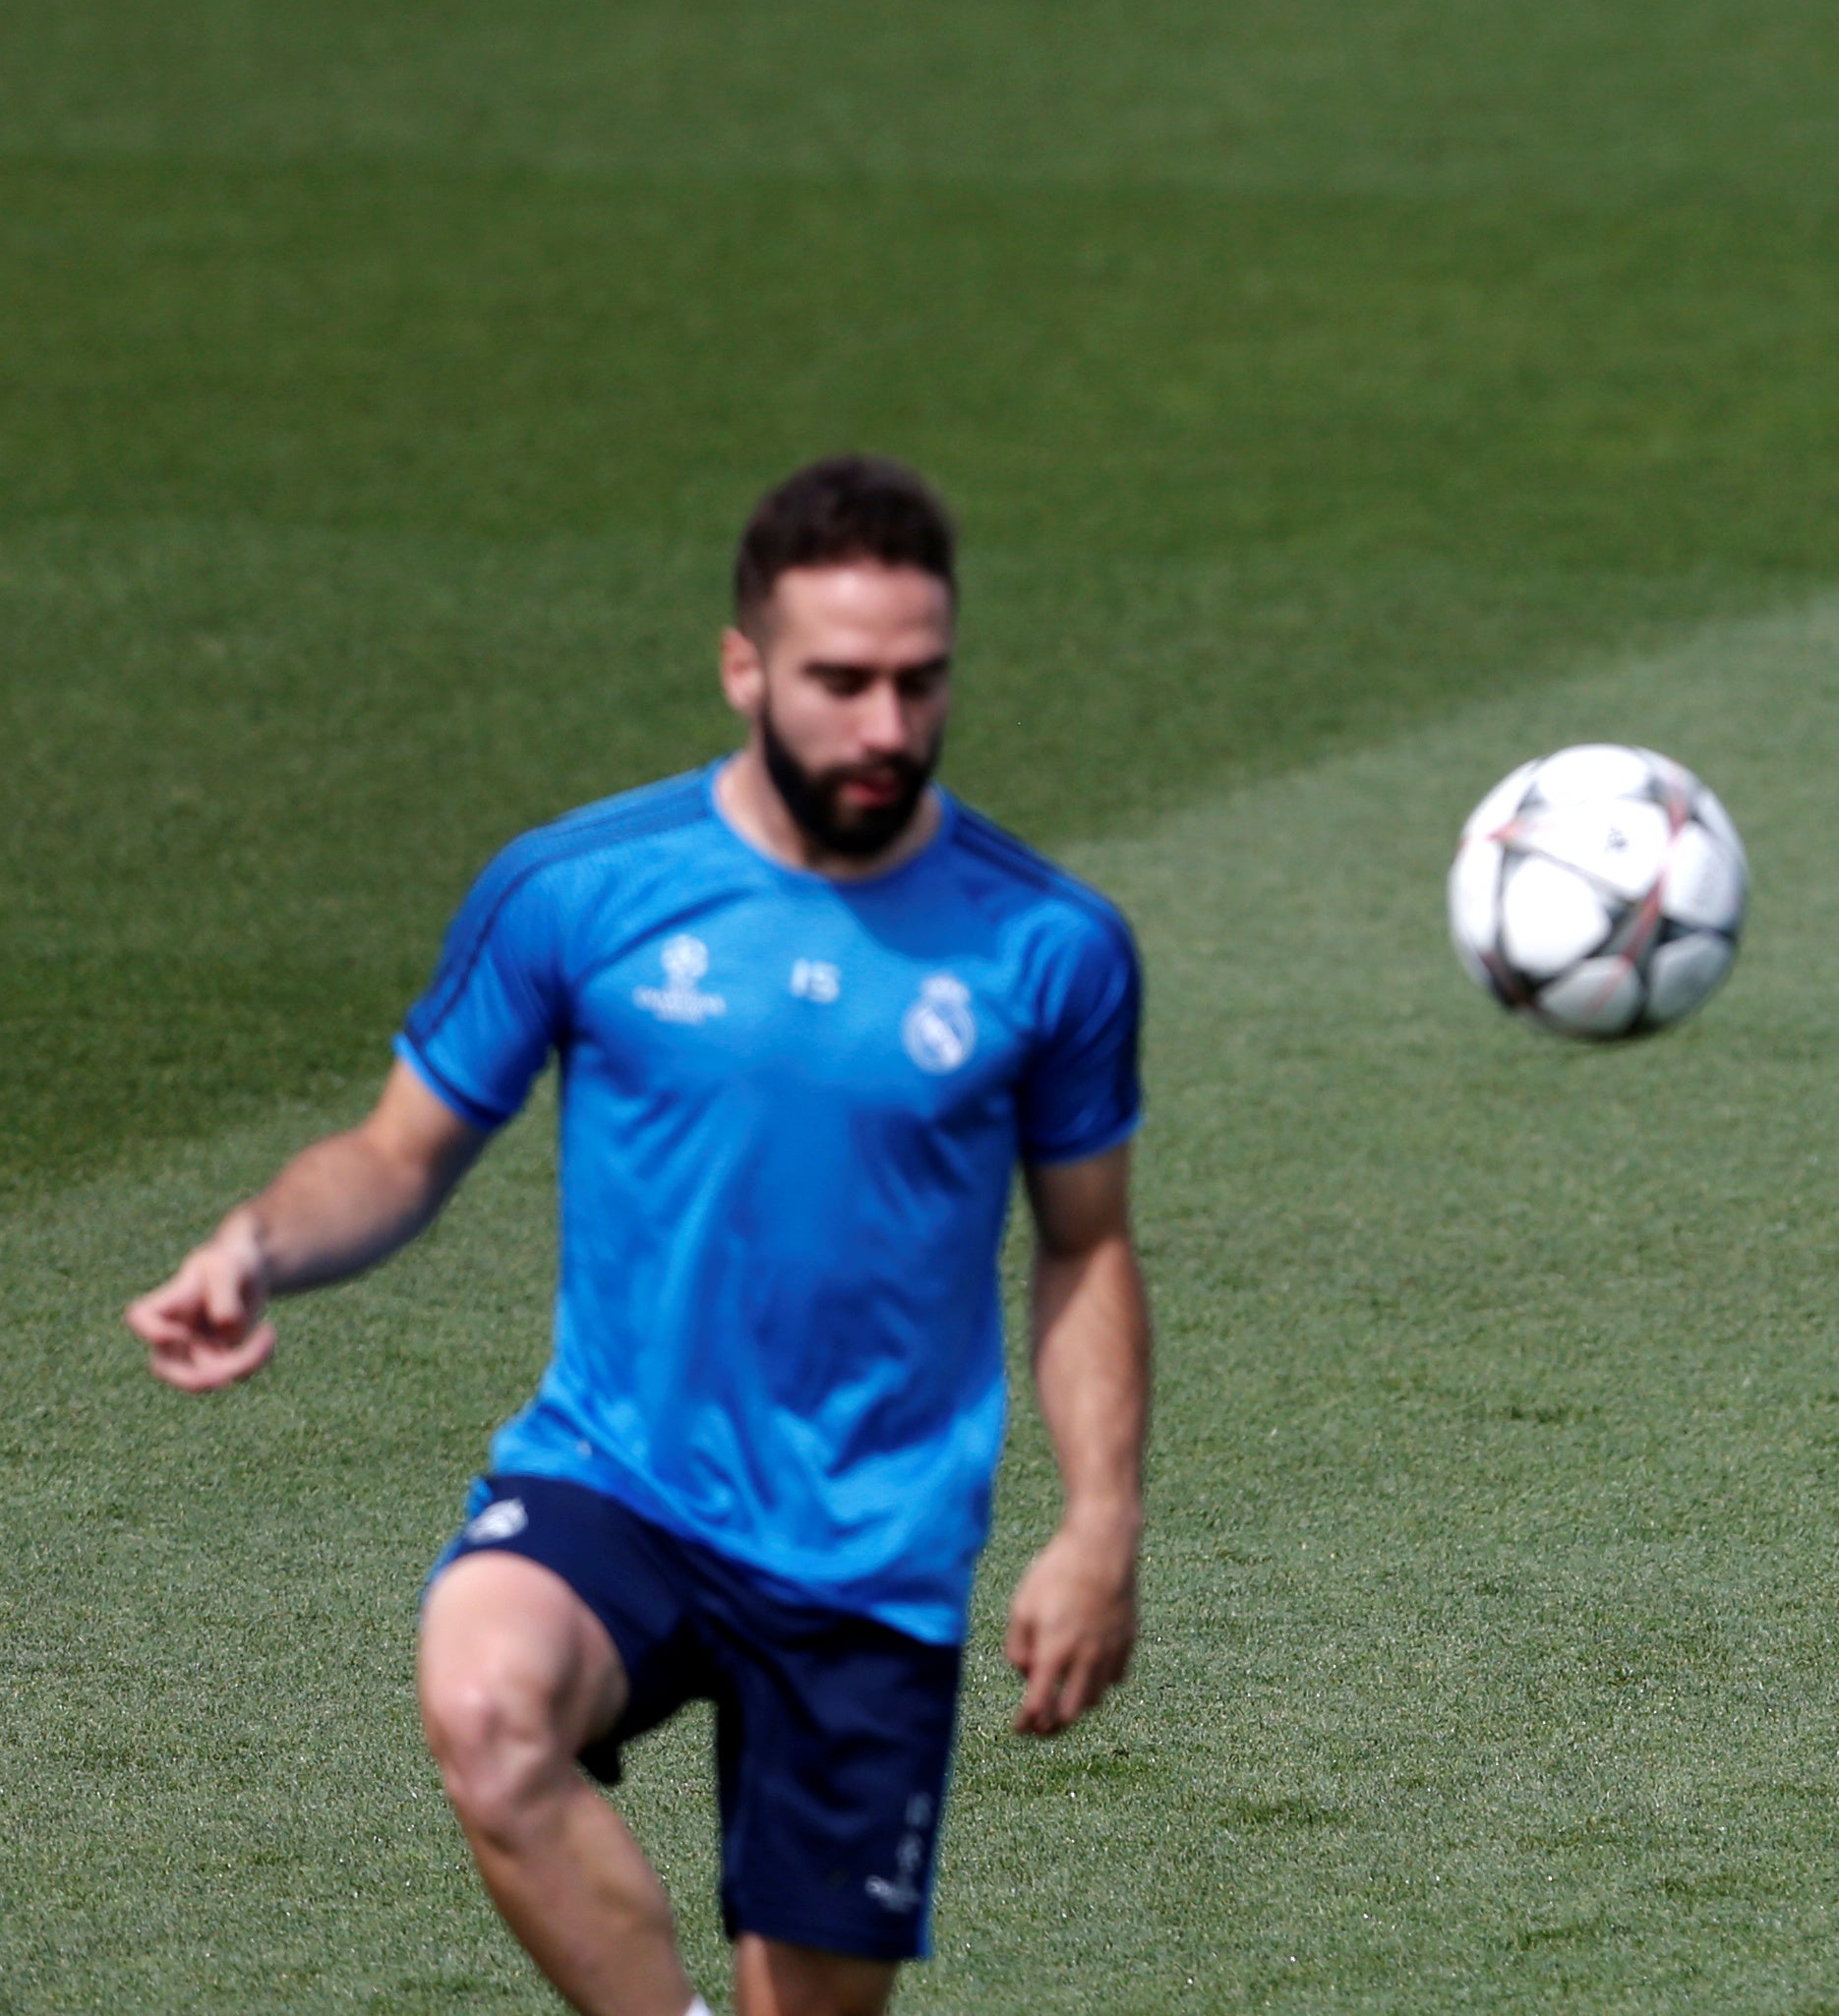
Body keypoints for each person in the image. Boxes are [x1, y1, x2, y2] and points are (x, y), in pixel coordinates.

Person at [124, 454, 1152, 2011]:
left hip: (868, 1551)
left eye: (921, 682)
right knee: (484, 1700)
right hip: (620, 1477)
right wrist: (256, 1242)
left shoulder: (1050, 944)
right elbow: (399, 1154)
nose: (887, 726)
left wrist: (1100, 1522)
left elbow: (1086, 1243)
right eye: (843, 680)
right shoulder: (582, 889)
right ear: (744, 666)